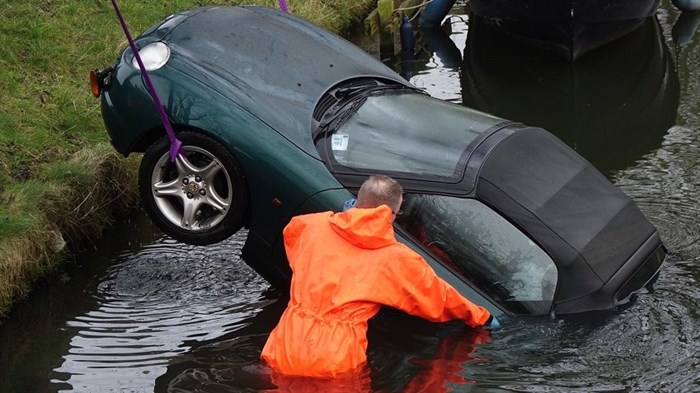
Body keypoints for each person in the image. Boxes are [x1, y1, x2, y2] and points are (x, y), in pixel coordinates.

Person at [261, 174, 498, 378]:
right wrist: (480, 317)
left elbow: (292, 236)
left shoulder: (312, 224)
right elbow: (438, 296)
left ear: (357, 201)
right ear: (390, 213)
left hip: (286, 341)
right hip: (334, 355)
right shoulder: (395, 258)